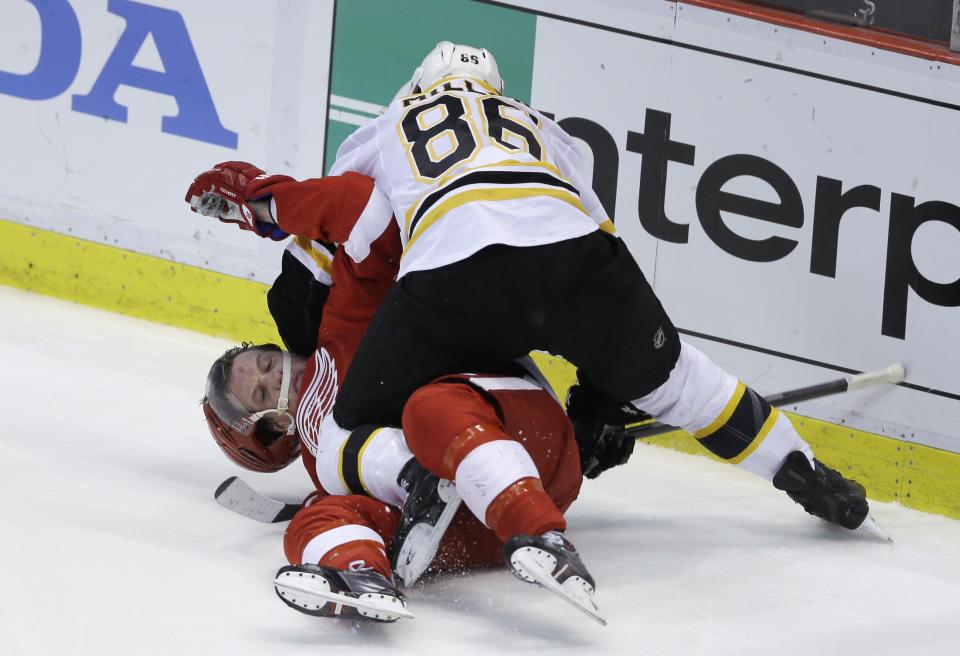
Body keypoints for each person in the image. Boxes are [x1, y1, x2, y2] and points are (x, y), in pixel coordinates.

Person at [317, 41, 870, 535]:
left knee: (341, 436)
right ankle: (807, 472)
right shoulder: (537, 124)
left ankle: (412, 481)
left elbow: (348, 219)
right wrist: (601, 401)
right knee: (681, 385)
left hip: (455, 272)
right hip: (573, 257)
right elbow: (599, 235)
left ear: (418, 85)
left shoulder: (388, 124)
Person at [187, 164, 605, 622]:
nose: (276, 380)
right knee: (312, 520)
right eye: (263, 395)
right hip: (469, 529)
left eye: (267, 365)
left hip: (521, 439)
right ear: (274, 432)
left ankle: (542, 534)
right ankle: (364, 575)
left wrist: (264, 203)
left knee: (431, 409)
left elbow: (361, 206)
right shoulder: (321, 463)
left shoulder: (342, 326)